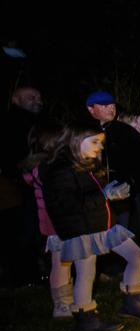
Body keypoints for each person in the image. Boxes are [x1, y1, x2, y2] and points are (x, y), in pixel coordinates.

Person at [40, 124, 140, 331]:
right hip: (82, 229)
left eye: (101, 143)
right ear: (77, 141)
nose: (99, 148)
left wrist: (109, 192)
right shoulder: (59, 170)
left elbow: (88, 196)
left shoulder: (83, 164)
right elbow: (67, 205)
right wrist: (105, 195)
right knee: (86, 272)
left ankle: (132, 303)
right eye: (95, 142)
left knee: (136, 256)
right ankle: (85, 319)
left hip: (103, 225)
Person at [22, 124, 73, 318]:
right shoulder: (46, 168)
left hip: (55, 221)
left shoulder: (42, 167)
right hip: (55, 223)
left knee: (64, 262)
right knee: (60, 263)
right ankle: (61, 305)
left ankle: (67, 300)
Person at [86, 91, 140, 236]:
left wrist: (135, 184)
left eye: (112, 105)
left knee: (122, 232)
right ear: (90, 109)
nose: (111, 108)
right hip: (93, 195)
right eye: (104, 105)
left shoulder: (125, 131)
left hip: (122, 193)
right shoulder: (81, 132)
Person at [1, 86, 45, 287]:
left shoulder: (39, 122)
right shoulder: (10, 123)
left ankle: (34, 273)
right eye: (31, 97)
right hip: (16, 186)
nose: (37, 101)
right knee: (21, 231)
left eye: (38, 97)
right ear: (15, 100)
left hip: (34, 185)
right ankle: (22, 276)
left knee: (35, 231)